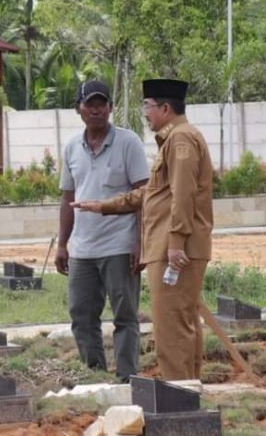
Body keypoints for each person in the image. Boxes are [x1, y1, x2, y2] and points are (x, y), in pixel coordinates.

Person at [73, 79, 213, 381]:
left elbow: (183, 194)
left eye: (147, 107)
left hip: (174, 248)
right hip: (172, 245)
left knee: (171, 327)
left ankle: (179, 400)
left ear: (165, 108)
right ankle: (190, 391)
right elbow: (154, 193)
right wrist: (104, 205)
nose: (145, 114)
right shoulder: (175, 139)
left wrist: (175, 243)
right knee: (183, 322)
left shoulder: (181, 140)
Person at [56, 80, 149, 381]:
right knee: (81, 316)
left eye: (102, 104)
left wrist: (140, 242)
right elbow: (68, 198)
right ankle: (95, 377)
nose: (96, 110)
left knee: (125, 316)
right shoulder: (71, 147)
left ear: (110, 108)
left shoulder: (128, 142)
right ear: (78, 109)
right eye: (89, 104)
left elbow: (143, 194)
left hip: (120, 245)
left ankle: (127, 379)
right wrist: (62, 244)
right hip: (83, 249)